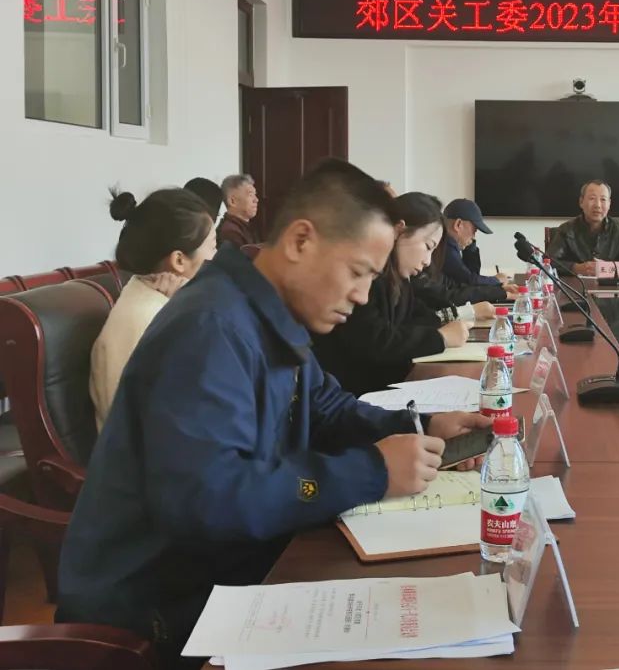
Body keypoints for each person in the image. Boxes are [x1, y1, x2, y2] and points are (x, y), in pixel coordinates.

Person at [57, 159, 491, 665]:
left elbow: (325, 406)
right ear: (301, 241)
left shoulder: (266, 309)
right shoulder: (211, 329)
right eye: (357, 272)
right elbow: (210, 501)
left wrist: (420, 426)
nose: (361, 295)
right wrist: (372, 470)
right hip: (161, 618)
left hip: (239, 572)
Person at [312, 192, 472, 396]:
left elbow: (417, 316)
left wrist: (445, 325)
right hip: (352, 395)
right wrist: (440, 338)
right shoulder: (367, 277)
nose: (427, 261)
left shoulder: (399, 280)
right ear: (399, 231)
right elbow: (375, 341)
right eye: (427, 247)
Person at [90, 188, 217, 430]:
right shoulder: (145, 320)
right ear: (179, 260)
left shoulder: (157, 299)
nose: (217, 256)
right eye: (213, 246)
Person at [546, 180, 619, 277]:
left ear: (609, 204)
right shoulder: (566, 230)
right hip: (573, 285)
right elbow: (548, 261)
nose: (597, 205)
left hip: (609, 285)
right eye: (592, 198)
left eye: (603, 199)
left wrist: (608, 268)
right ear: (581, 202)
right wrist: (576, 268)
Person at [441, 198, 515, 302]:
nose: (474, 236)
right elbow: (468, 281)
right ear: (458, 225)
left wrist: (471, 247)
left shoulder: (448, 245)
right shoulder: (445, 248)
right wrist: (496, 280)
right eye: (474, 230)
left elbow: (470, 278)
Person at [216, 173, 260, 247]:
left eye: (255, 194)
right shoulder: (230, 232)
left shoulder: (245, 227)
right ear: (232, 201)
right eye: (250, 195)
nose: (256, 200)